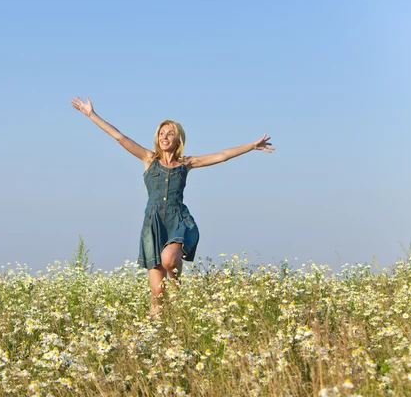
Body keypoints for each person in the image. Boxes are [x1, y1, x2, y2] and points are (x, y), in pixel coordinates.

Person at [70, 96, 274, 318]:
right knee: (157, 294)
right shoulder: (149, 159)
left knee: (169, 259)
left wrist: (252, 146)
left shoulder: (186, 163)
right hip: (153, 223)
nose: (164, 136)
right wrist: (92, 115)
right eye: (161, 133)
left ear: (178, 139)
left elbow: (222, 155)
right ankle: (158, 336)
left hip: (177, 220)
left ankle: (177, 289)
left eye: (169, 133)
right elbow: (120, 137)